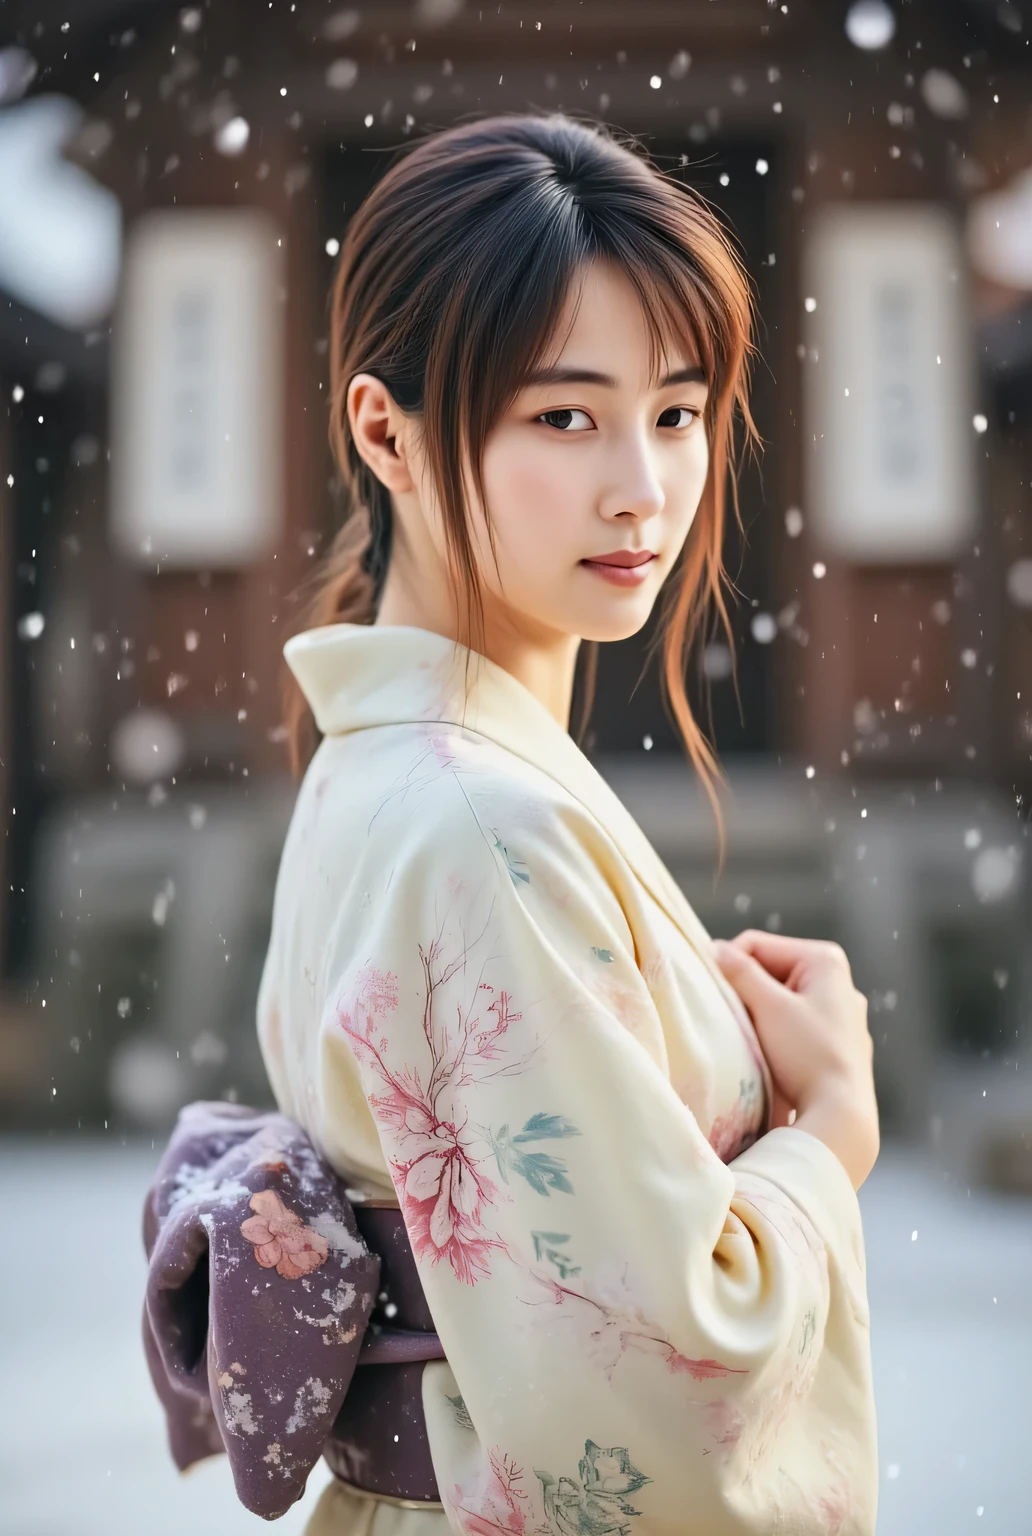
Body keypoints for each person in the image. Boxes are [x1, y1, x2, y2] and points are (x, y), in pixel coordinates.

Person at [259, 111, 879, 1535]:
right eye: (565, 415)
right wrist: (827, 1130)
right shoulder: (481, 826)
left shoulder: (387, 769)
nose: (644, 488)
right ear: (386, 432)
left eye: (676, 412)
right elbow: (661, 1393)